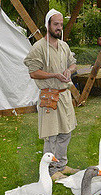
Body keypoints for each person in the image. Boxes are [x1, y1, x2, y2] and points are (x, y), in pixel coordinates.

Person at [24, 9, 79, 181]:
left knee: (66, 132)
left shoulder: (64, 46)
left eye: (61, 24)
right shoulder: (38, 48)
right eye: (56, 24)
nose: (59, 28)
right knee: (51, 135)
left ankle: (61, 165)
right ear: (47, 25)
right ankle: (50, 171)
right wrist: (54, 75)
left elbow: (73, 64)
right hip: (49, 97)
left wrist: (68, 71)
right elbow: (33, 72)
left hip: (64, 96)